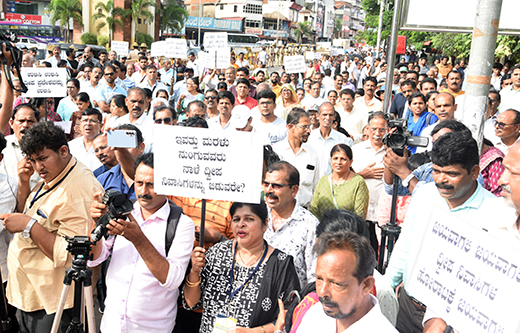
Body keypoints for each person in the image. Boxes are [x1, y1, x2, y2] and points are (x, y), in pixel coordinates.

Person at [385, 131, 502, 333]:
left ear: (474, 172)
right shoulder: (425, 195)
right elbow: (406, 246)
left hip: (453, 323)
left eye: (452, 174)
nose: (441, 180)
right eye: (437, 171)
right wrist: (386, 291)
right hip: (408, 306)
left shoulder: (496, 214)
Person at [0, 122, 103, 332]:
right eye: (32, 160)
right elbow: (28, 209)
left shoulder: (78, 189)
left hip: (55, 304)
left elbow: (74, 254)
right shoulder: (55, 175)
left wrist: (29, 226)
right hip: (33, 295)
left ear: (63, 151)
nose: (38, 167)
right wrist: (23, 183)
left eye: (43, 158)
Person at [89, 153, 194, 332]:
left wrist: (139, 240)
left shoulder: (182, 224)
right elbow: (94, 258)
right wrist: (95, 222)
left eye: (151, 185)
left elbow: (173, 279)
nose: (143, 191)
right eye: (139, 183)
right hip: (112, 324)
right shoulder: (121, 212)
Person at [183, 201, 300, 333]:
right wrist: (194, 272)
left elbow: (290, 316)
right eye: (236, 219)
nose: (241, 224)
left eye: (249, 219)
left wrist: (253, 332)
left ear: (265, 224)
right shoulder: (216, 253)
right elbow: (191, 303)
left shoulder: (280, 264)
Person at [295, 229, 398, 333]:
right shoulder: (315, 315)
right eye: (319, 279)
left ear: (366, 285)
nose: (322, 292)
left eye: (336, 284)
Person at [262, 161, 319, 287]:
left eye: (276, 186)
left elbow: (313, 276)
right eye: (266, 184)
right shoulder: (257, 215)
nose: (269, 190)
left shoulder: (309, 225)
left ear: (294, 190)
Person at [351, 112, 388, 255]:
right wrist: (363, 175)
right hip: (361, 211)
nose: (377, 133)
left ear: (388, 130)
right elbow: (345, 178)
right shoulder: (357, 150)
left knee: (379, 253)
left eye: (382, 129)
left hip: (382, 213)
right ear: (367, 129)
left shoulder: (392, 151)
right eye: (374, 129)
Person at [272, 108, 320, 209]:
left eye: (310, 126)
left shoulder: (312, 154)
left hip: (304, 211)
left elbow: (316, 187)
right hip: (278, 209)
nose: (309, 130)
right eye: (304, 127)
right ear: (290, 127)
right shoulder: (275, 151)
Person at [311, 143, 369, 220]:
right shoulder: (323, 181)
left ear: (350, 162)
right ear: (331, 161)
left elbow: (360, 215)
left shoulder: (358, 182)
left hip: (347, 230)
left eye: (343, 159)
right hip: (322, 229)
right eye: (335, 158)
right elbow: (314, 210)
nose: (338, 162)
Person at [308, 102, 353, 179]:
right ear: (318, 116)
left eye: (330, 115)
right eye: (324, 115)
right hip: (311, 184)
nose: (328, 118)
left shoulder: (342, 139)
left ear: (334, 117)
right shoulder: (309, 137)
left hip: (335, 185)